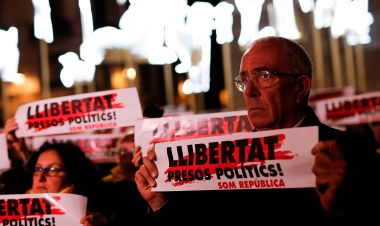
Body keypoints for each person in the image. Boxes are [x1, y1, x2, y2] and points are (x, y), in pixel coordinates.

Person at [134, 36, 380, 224]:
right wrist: (158, 201)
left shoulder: (352, 155)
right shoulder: (221, 160)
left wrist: (339, 208)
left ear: (300, 87)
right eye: (243, 80)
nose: (249, 91)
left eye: (264, 75)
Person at [26, 141, 109, 226]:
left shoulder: (88, 220)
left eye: (53, 170)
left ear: (72, 175)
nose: (40, 177)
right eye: (38, 169)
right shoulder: (14, 213)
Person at [102, 133, 148, 225]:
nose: (126, 155)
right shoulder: (107, 183)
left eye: (132, 151)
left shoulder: (153, 181)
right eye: (122, 151)